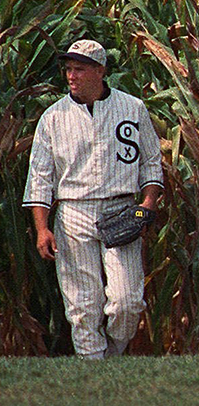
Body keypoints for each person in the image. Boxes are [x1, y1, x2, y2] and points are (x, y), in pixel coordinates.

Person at [23, 39, 164, 358]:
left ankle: (110, 358)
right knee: (83, 306)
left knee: (127, 302)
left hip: (121, 209)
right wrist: (43, 228)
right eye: (69, 69)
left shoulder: (132, 107)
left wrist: (147, 206)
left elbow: (152, 161)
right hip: (74, 212)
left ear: (100, 71)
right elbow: (40, 177)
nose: (71, 75)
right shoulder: (53, 117)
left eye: (80, 69)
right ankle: (93, 373)